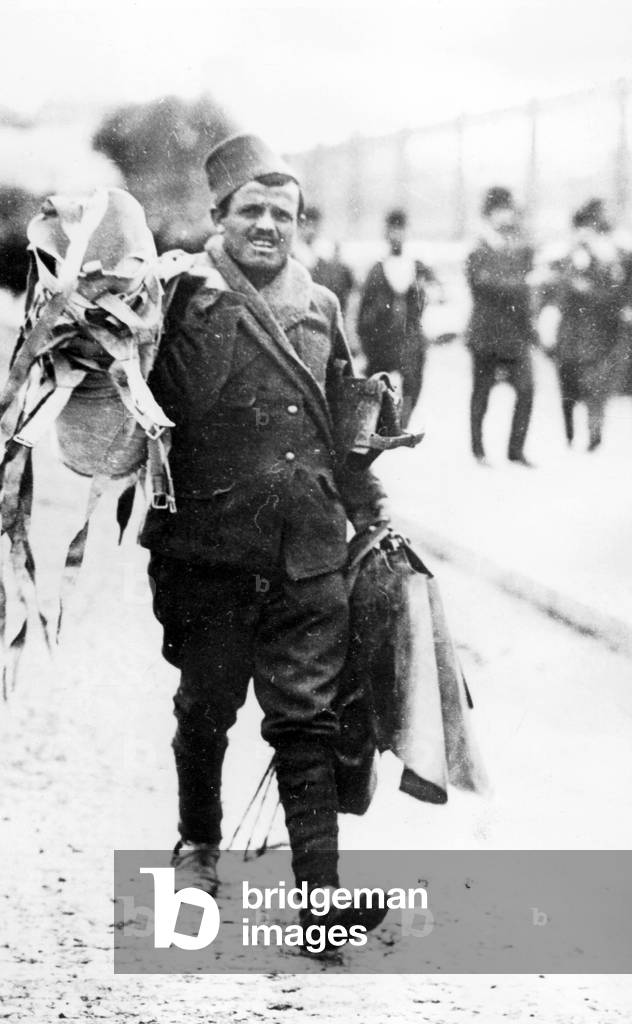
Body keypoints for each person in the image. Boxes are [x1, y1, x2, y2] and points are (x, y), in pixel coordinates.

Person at [140, 134, 390, 952]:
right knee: (207, 705)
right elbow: (134, 398)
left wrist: (374, 514)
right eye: (251, 210)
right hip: (209, 547)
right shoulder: (176, 293)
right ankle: (198, 851)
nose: (268, 226)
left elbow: (345, 426)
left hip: (308, 544)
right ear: (219, 216)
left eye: (283, 214)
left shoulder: (320, 305)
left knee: (308, 721)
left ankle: (320, 906)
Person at [543, 198, 626, 450]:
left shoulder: (610, 256)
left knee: (596, 382)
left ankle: (594, 432)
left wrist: (589, 289)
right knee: (568, 382)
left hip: (597, 329)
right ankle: (569, 433)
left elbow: (613, 293)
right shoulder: (565, 255)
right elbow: (555, 290)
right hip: (570, 328)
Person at [466, 187, 536, 466]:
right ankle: (478, 450)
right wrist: (521, 284)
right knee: (482, 392)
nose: (506, 215)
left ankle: (515, 451)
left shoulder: (518, 246)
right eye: (500, 210)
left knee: (527, 389)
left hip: (515, 333)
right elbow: (482, 283)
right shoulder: (479, 247)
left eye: (509, 209)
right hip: (486, 332)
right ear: (489, 215)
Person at [356, 208, 437, 427]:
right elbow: (365, 308)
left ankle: (401, 423)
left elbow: (431, 295)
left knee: (412, 381)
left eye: (401, 230)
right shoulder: (377, 269)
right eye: (393, 231)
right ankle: (376, 424)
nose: (397, 236)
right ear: (386, 233)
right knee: (376, 383)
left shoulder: (417, 266)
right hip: (382, 337)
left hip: (409, 336)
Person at [294, 205, 355, 314]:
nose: (310, 231)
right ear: (299, 226)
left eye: (314, 226)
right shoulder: (293, 257)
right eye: (307, 225)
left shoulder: (321, 260)